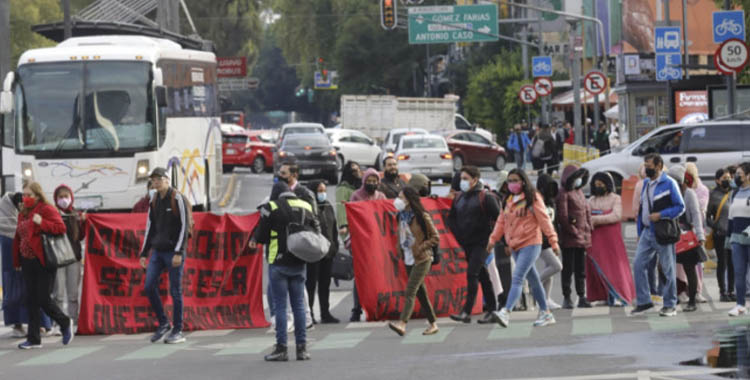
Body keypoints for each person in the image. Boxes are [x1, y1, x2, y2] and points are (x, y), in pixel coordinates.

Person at [250, 182, 320, 361]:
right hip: (299, 261)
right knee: (299, 306)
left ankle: (281, 348)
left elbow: (262, 236)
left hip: (278, 262)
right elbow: (316, 229)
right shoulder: (305, 205)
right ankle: (302, 349)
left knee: (281, 307)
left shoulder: (271, 207)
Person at [488, 168, 560, 328]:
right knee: (533, 280)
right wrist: (493, 239)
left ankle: (506, 312)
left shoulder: (532, 198)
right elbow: (501, 221)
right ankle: (546, 313)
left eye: (515, 180)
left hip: (531, 243)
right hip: (515, 245)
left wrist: (553, 240)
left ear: (523, 181)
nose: (512, 184)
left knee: (518, 277)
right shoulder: (508, 200)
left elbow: (544, 220)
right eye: (509, 181)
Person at [12, 181, 73, 349]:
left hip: (43, 260)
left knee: (43, 299)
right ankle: (33, 339)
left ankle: (64, 321)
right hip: (27, 261)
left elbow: (60, 228)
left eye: (29, 195)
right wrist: (17, 261)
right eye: (24, 195)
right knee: (31, 300)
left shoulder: (46, 209)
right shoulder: (23, 212)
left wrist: (42, 223)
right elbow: (19, 237)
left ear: (38, 195)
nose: (26, 198)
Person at [139, 167, 189, 344]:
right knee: (148, 286)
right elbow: (149, 228)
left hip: (173, 251)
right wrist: (144, 253)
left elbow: (185, 226)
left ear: (167, 180)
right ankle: (163, 322)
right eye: (153, 179)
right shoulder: (154, 200)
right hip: (158, 251)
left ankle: (178, 329)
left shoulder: (177, 198)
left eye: (159, 178)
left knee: (175, 291)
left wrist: (179, 252)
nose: (156, 182)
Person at [631, 153, 685, 317]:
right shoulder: (646, 183)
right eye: (645, 165)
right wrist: (640, 231)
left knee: (668, 269)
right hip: (647, 232)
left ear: (659, 166)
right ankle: (644, 301)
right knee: (638, 264)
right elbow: (642, 210)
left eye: (649, 165)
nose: (646, 168)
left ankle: (670, 305)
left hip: (663, 232)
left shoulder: (669, 183)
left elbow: (680, 207)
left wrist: (661, 215)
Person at [447, 166, 500, 324]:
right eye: (461, 178)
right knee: (482, 275)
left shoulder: (486, 197)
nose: (462, 182)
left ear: (475, 180)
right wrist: (459, 236)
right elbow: (451, 219)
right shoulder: (459, 198)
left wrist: (495, 239)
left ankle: (466, 312)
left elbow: (500, 220)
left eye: (466, 179)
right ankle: (493, 310)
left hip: (483, 243)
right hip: (467, 243)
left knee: (472, 274)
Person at [387, 187, 440, 337]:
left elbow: (435, 237)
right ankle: (433, 324)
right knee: (421, 294)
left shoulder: (422, 216)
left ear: (409, 200)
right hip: (409, 258)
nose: (398, 200)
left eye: (401, 197)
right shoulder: (402, 216)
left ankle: (402, 324)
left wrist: (421, 248)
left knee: (410, 291)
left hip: (422, 258)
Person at [1, 192, 53, 338]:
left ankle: (40, 324)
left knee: (34, 292)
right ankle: (17, 325)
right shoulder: (2, 224)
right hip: (12, 269)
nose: (20, 207)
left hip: (29, 262)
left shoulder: (25, 218)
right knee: (14, 294)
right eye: (17, 205)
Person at [587, 172, 636, 306]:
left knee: (615, 268)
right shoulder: (591, 200)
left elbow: (616, 216)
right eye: (596, 184)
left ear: (607, 184)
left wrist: (596, 219)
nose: (599, 187)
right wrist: (600, 217)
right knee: (598, 269)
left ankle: (620, 296)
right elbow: (586, 217)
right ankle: (603, 296)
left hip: (612, 241)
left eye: (601, 184)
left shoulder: (616, 199)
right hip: (596, 240)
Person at [348, 167, 386, 321]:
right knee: (360, 277)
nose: (372, 184)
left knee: (379, 276)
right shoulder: (356, 196)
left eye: (374, 181)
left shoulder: (381, 196)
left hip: (378, 242)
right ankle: (356, 309)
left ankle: (378, 307)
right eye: (369, 181)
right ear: (364, 182)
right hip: (362, 243)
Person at [667, 166, 705, 312]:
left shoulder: (689, 193)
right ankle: (673, 297)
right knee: (664, 267)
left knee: (690, 268)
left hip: (686, 235)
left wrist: (700, 236)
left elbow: (696, 216)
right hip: (669, 234)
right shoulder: (667, 192)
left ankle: (692, 301)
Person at [556, 164, 593, 309]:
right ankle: (567, 297)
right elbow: (563, 216)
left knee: (581, 269)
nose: (579, 180)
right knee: (568, 269)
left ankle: (581, 296)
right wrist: (574, 231)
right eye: (576, 177)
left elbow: (586, 210)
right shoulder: (563, 193)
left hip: (582, 237)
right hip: (570, 238)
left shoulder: (579, 192)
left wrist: (589, 228)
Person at [305, 180, 340, 324]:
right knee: (311, 285)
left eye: (324, 190)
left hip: (328, 253)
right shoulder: (308, 208)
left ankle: (325, 313)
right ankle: (310, 314)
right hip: (314, 253)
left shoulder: (328, 206)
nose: (322, 193)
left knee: (325, 284)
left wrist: (335, 246)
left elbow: (333, 228)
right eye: (319, 191)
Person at [52, 185, 85, 328]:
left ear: (71, 198)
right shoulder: (52, 214)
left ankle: (74, 321)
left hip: (74, 259)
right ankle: (58, 322)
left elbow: (81, 236)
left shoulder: (75, 215)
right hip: (58, 259)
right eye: (60, 197)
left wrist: (82, 221)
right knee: (58, 294)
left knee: (73, 295)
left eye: (66, 196)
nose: (64, 200)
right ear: (56, 199)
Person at [535, 174, 563, 310]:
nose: (551, 191)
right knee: (556, 266)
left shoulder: (551, 201)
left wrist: (556, 239)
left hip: (552, 239)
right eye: (548, 187)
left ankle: (546, 298)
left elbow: (554, 222)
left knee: (549, 268)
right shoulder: (536, 201)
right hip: (541, 240)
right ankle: (534, 284)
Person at [707, 168, 734, 302]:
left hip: (734, 234)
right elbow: (708, 217)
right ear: (717, 180)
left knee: (732, 263)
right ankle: (722, 291)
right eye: (724, 178)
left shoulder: (734, 193)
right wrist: (716, 226)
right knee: (722, 263)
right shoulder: (713, 195)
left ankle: (731, 290)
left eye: (729, 177)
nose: (727, 180)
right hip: (720, 235)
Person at [728, 162, 750, 317]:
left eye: (740, 174)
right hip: (737, 237)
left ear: (748, 176)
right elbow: (731, 216)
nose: (736, 176)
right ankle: (740, 304)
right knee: (739, 271)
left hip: (748, 235)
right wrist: (729, 236)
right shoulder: (734, 193)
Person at [336, 161, 362, 236]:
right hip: (350, 226)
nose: (357, 173)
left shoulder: (361, 186)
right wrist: (343, 225)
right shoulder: (342, 189)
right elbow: (341, 207)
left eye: (358, 170)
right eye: (354, 171)